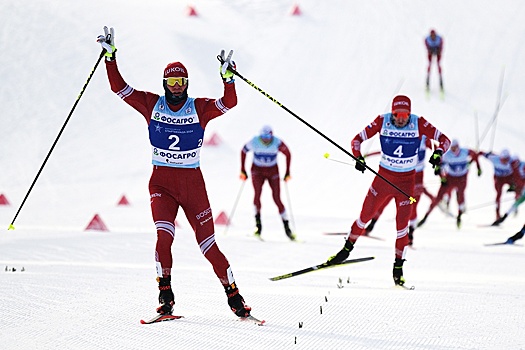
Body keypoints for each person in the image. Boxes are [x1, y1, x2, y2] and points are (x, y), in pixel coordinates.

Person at [97, 27, 251, 318]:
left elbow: (229, 103)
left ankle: (235, 297)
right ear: (165, 83)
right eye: (172, 81)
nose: (177, 86)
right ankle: (165, 296)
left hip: (193, 186)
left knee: (208, 245)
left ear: (187, 83)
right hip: (162, 185)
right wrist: (110, 58)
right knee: (163, 237)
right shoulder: (151, 104)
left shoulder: (199, 108)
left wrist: (228, 79)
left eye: (181, 81)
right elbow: (120, 89)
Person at [326, 95, 450, 286]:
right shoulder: (382, 121)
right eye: (397, 115)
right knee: (364, 216)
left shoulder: (419, 123)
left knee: (402, 228)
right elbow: (357, 140)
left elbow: (445, 140)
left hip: (406, 183)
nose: (401, 119)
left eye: (405, 115)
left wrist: (438, 152)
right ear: (392, 113)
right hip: (383, 179)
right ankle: (345, 251)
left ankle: (398, 268)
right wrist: (358, 157)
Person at [364, 135, 436, 246]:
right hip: (401, 174)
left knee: (412, 205)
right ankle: (370, 226)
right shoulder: (406, 136)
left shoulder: (425, 140)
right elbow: (387, 151)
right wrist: (368, 155)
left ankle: (410, 235)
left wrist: (440, 166)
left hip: (417, 176)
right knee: (385, 199)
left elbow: (437, 150)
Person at [240, 125, 295, 240]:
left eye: (268, 136)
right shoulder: (254, 141)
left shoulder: (277, 142)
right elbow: (243, 151)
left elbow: (288, 154)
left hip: (272, 171)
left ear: (272, 135)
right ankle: (258, 226)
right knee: (257, 195)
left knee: (277, 198)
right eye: (263, 136)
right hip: (257, 171)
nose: (265, 139)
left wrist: (287, 172)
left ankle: (287, 228)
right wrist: (243, 170)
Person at [417, 139, 481, 229]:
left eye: (455, 147)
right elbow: (438, 163)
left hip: (462, 178)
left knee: (460, 197)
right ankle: (425, 217)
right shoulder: (447, 155)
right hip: (450, 178)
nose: (454, 150)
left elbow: (475, 155)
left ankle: (459, 216)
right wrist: (440, 175)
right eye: (452, 148)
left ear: (458, 146)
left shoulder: (465, 151)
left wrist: (477, 167)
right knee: (438, 197)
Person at [478, 149, 518, 221]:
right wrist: (487, 153)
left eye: (506, 159)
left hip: (509, 177)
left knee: (518, 189)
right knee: (498, 194)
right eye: (503, 159)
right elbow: (481, 153)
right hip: (498, 178)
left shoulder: (512, 161)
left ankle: (515, 206)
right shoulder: (494, 158)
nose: (504, 161)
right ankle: (497, 215)